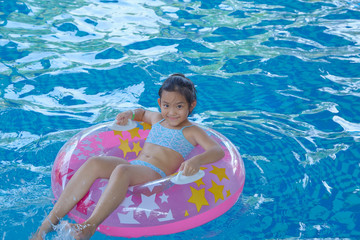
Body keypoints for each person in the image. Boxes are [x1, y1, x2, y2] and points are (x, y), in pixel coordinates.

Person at [31, 73, 225, 240]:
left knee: (122, 169)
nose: (172, 112)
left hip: (156, 176)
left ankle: (88, 227)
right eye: (166, 105)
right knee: (95, 162)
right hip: (136, 166)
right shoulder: (157, 118)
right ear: (160, 103)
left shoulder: (193, 131)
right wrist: (129, 114)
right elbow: (141, 113)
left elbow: (217, 151)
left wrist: (195, 160)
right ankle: (44, 228)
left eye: (179, 107)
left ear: (192, 105)